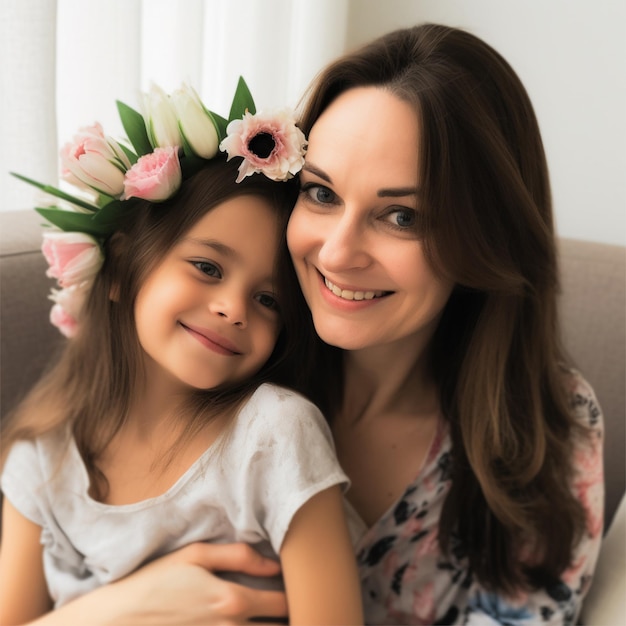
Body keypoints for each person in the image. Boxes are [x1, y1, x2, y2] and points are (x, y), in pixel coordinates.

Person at [3, 23, 604, 625]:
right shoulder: (220, 365)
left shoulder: (543, 426)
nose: (338, 253)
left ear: (485, 235)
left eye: (401, 215)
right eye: (321, 194)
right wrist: (117, 608)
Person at [0, 85, 363, 626]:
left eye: (268, 300)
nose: (234, 309)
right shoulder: (42, 459)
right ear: (123, 271)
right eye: (208, 268)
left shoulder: (275, 436)